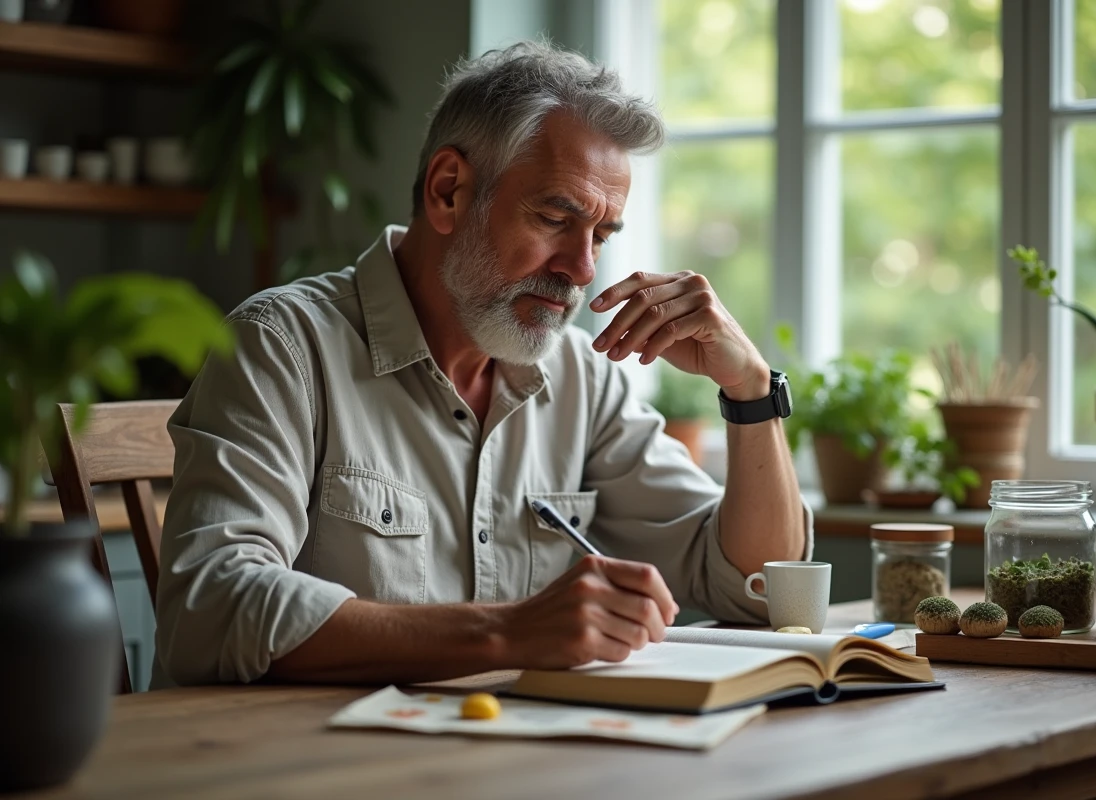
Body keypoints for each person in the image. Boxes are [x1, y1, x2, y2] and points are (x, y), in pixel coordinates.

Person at [154, 41, 810, 688]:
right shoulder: (281, 345)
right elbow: (212, 607)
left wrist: (750, 390)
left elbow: (756, 589)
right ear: (448, 191)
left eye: (602, 236)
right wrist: (507, 634)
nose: (581, 269)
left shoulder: (584, 379)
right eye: (556, 217)